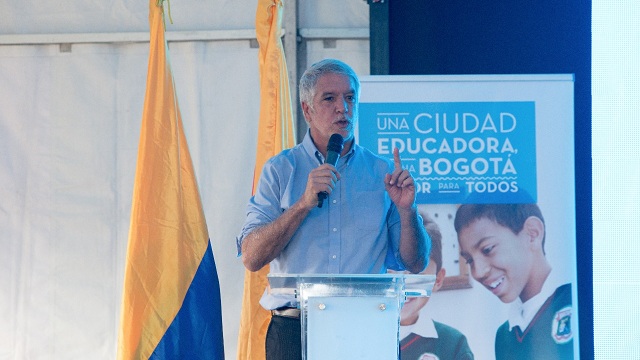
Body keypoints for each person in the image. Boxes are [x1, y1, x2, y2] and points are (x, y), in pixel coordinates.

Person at [236, 58, 430, 360]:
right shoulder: (280, 170)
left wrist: (408, 210)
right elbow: (251, 256)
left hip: (366, 328)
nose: (343, 107)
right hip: (293, 331)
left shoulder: (382, 173)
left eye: (350, 97)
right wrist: (302, 205)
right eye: (330, 98)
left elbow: (415, 262)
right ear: (307, 110)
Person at [454, 203, 574, 360]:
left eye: (487, 249)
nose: (478, 272)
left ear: (532, 234)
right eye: (469, 260)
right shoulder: (504, 335)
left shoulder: (579, 302)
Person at [394, 214, 474, 360]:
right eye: (392, 271)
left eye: (416, 274)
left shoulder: (454, 345)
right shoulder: (355, 336)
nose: (403, 286)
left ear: (437, 279)